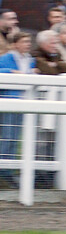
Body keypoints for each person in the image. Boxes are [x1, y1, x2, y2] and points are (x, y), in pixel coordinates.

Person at [0, 32, 35, 185]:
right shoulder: (7, 58)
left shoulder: (30, 60)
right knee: (8, 135)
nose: (27, 44)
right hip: (10, 100)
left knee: (15, 137)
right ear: (15, 44)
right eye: (24, 41)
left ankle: (9, 169)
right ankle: (4, 168)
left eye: (28, 41)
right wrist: (11, 72)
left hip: (25, 100)